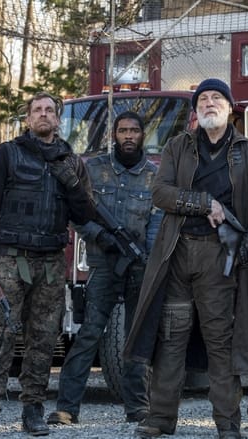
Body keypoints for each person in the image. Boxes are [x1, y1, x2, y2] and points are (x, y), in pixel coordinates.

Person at [124, 78, 248, 439]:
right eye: (203, 99)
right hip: (177, 253)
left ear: (230, 106)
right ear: (195, 110)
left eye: (216, 98)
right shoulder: (178, 146)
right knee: (171, 337)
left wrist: (247, 246)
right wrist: (204, 203)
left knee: (220, 341)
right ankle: (160, 418)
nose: (209, 103)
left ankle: (227, 423)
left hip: (220, 258)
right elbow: (160, 193)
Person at [0, 91, 96, 439]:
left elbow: (86, 214)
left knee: (43, 341)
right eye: (37, 110)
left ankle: (33, 410)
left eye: (49, 110)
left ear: (57, 119)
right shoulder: (8, 154)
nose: (43, 114)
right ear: (28, 119)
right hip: (9, 260)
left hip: (51, 263)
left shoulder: (72, 162)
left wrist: (73, 185)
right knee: (1, 336)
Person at [47, 111, 162, 426]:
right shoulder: (94, 169)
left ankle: (137, 408)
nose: (128, 136)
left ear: (142, 135)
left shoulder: (154, 176)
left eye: (134, 130)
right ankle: (67, 408)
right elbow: (77, 212)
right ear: (114, 135)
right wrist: (100, 237)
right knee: (89, 334)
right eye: (123, 131)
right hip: (103, 262)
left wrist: (148, 259)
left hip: (139, 265)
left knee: (136, 338)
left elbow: (157, 223)